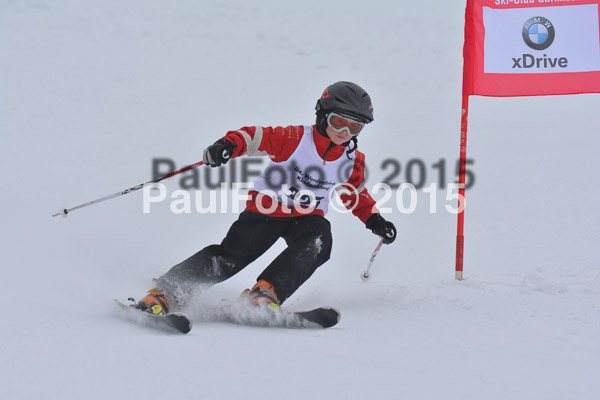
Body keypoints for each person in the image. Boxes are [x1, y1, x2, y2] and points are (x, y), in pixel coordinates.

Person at [135, 81, 397, 315]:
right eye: (338, 122)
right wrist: (226, 146)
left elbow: (355, 194)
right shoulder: (295, 138)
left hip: (308, 217)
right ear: (322, 115)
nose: (344, 132)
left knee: (319, 241)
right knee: (232, 256)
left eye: (355, 126)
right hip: (266, 209)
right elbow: (254, 137)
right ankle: (168, 292)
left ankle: (265, 293)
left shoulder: (352, 160)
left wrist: (374, 219)